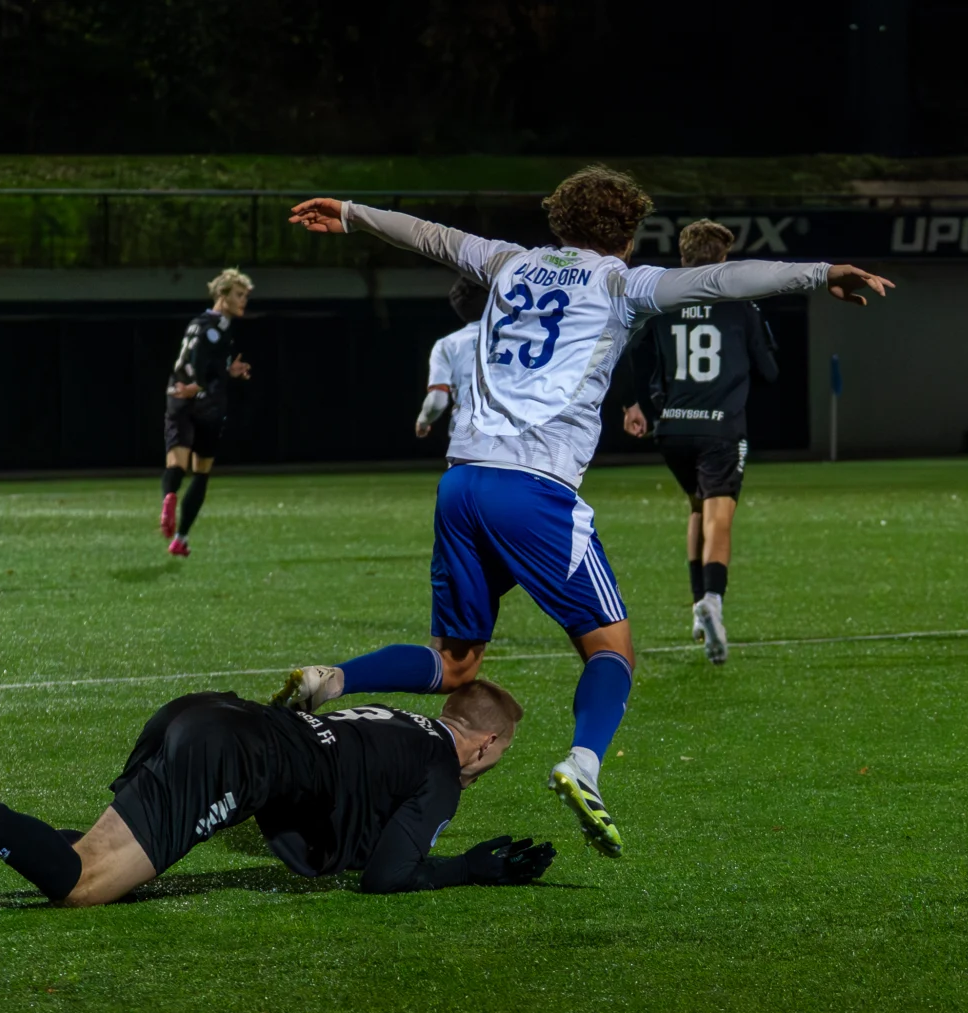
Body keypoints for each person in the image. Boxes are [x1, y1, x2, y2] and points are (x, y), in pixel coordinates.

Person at [275, 167, 893, 856]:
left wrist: (352, 212)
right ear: (627, 235)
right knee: (612, 649)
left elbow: (430, 236)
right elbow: (725, 281)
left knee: (456, 664)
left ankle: (331, 679)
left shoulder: (506, 261)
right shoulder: (621, 283)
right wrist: (822, 274)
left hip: (462, 482)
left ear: (558, 222)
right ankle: (584, 764)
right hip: (533, 491)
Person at [0, 681, 555, 904]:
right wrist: (471, 869)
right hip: (233, 756)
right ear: (487, 743)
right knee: (84, 884)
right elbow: (385, 877)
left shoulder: (394, 720)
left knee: (97, 851)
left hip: (211, 715)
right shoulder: (441, 770)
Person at [619, 219, 780, 664]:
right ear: (723, 260)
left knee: (696, 505)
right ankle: (712, 598)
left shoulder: (662, 303)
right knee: (719, 515)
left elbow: (631, 353)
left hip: (673, 430)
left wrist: (633, 405)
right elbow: (769, 372)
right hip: (720, 428)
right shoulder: (740, 306)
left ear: (685, 257)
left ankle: (697, 604)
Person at [158, 269, 254, 558]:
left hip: (178, 396)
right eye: (239, 295)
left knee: (176, 464)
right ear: (222, 295)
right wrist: (199, 384)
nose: (243, 301)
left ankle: (169, 498)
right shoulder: (215, 327)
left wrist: (228, 370)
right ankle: (181, 538)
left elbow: (204, 358)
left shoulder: (201, 324)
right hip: (205, 402)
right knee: (201, 472)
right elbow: (200, 357)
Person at [414, 277, 488, 438]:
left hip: (470, 436)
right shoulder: (520, 338)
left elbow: (437, 400)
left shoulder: (448, 344)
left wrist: (423, 421)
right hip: (519, 439)